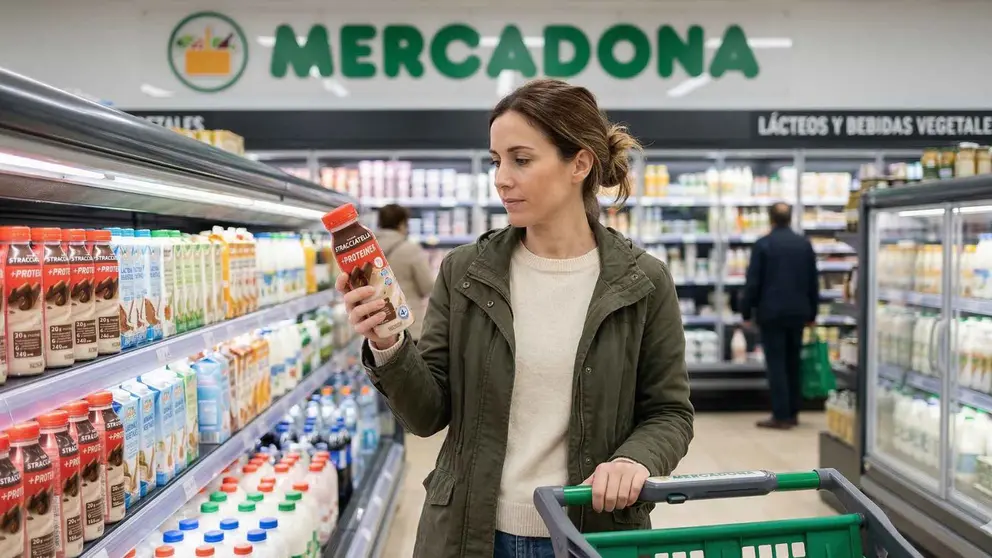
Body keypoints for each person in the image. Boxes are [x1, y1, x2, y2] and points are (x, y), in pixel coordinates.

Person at [336, 79, 694, 558]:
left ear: (580, 163)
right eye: (496, 161)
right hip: (472, 534)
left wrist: (635, 459)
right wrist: (389, 343)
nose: (501, 178)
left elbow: (670, 413)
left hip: (592, 534)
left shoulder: (642, 281)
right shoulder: (466, 271)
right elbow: (427, 414)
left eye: (521, 160)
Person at [740, 202, 820, 430]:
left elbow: (753, 283)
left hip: (772, 313)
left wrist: (746, 311)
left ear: (770, 219)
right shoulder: (804, 244)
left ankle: (781, 415)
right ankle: (794, 411)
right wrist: (813, 312)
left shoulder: (764, 244)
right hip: (798, 313)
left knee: (776, 364)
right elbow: (813, 282)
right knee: (794, 362)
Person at [374, 203, 436, 342]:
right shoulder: (410, 249)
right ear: (402, 224)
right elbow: (427, 286)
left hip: (378, 326)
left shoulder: (369, 251)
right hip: (407, 324)